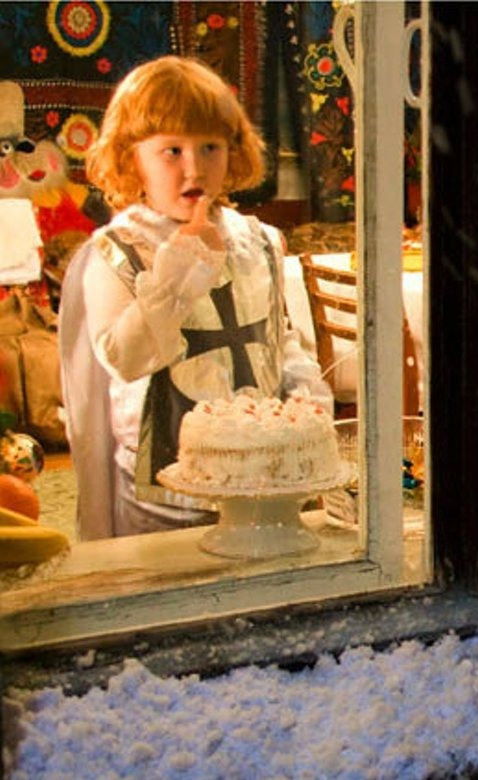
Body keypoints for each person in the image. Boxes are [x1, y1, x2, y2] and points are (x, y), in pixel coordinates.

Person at [59, 57, 329, 539]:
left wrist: (307, 400)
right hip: (166, 495)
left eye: (211, 147)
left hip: (262, 478)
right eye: (172, 151)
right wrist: (180, 269)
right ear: (130, 157)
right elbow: (125, 357)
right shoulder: (116, 252)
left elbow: (275, 337)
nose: (195, 167)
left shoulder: (260, 239)